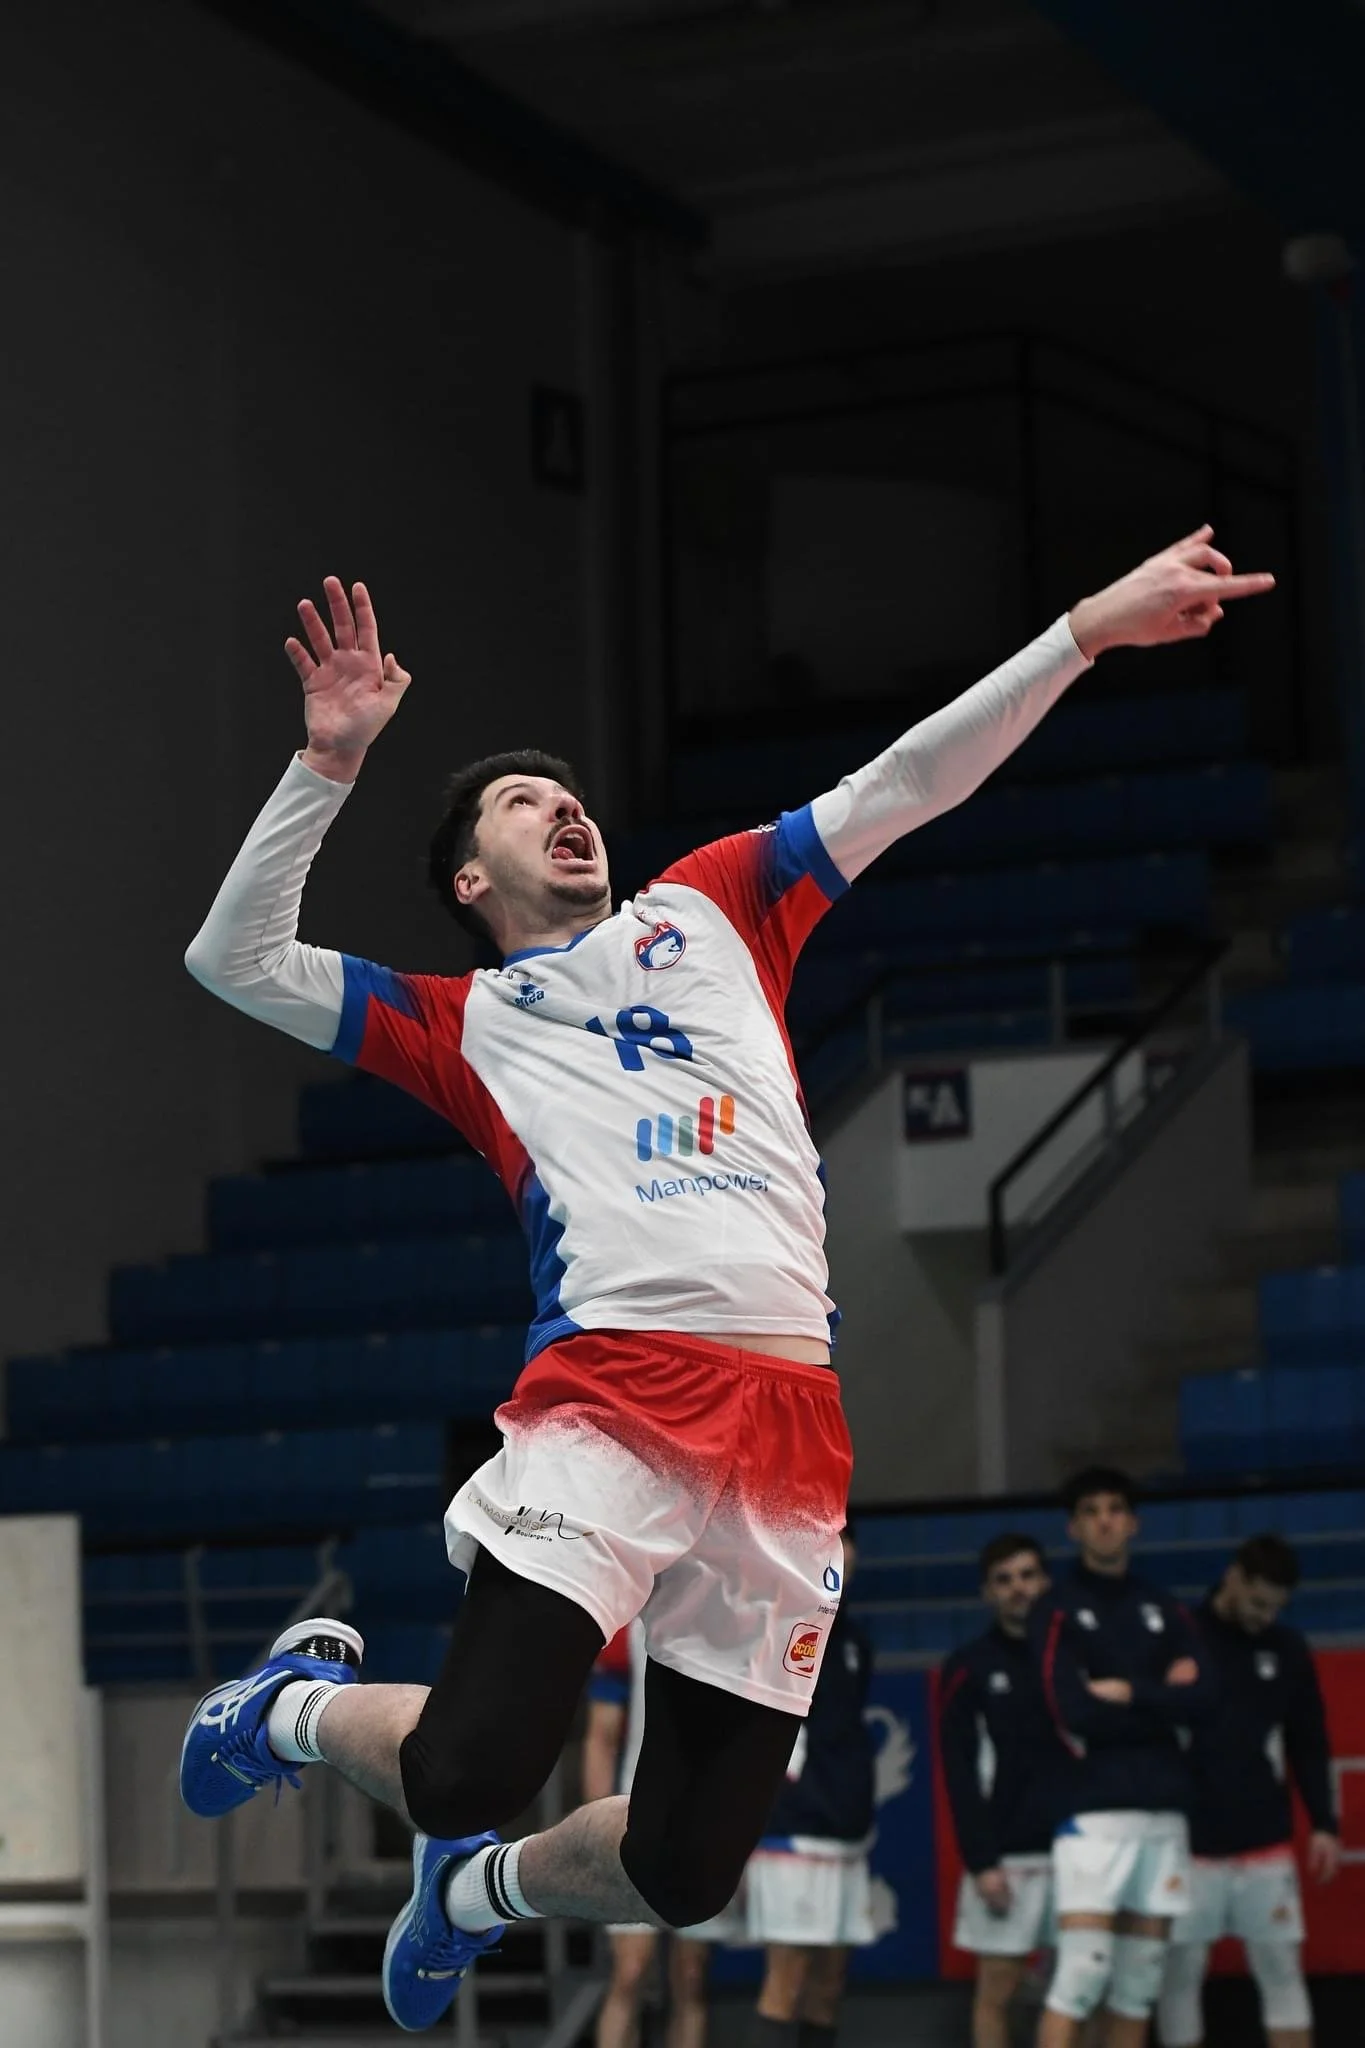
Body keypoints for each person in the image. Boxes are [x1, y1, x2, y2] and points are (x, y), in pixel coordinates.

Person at [174, 531, 1272, 2037]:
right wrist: (330, 761)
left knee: (687, 1870)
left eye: (571, 793)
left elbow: (905, 780)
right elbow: (233, 957)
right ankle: (286, 1710)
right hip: (614, 1399)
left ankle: (476, 1898)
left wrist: (1080, 631)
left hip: (790, 1428)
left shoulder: (712, 909)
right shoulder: (462, 1023)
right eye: (519, 800)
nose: (563, 806)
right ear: (466, 875)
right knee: (469, 1771)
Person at [1030, 1468, 1217, 2048]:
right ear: (1074, 1527)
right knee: (1081, 1977)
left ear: (1133, 1522)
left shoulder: (1164, 1607)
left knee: (1138, 1986)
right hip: (1094, 1818)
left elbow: (1205, 1700)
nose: (1105, 1519)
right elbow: (1072, 1710)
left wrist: (1131, 1691)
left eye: (1115, 1509)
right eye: (1092, 1511)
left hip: (1163, 1814)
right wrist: (1164, 1696)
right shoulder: (1057, 1609)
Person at [1157, 1534, 1341, 2048]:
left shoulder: (1287, 1648)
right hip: (1189, 1846)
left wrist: (1324, 1823)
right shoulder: (1180, 1637)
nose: (1266, 1616)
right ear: (1233, 1578)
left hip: (1264, 1840)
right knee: (1179, 1980)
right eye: (1259, 1603)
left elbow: (1309, 1741)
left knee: (1282, 1972)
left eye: (1277, 1607)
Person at [745, 1525, 876, 2048]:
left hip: (846, 1832)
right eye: (827, 1540)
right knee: (787, 1980)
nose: (838, 1553)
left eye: (846, 1541)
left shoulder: (857, 1641)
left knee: (829, 1985)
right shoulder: (776, 1627)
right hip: (792, 1834)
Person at [940, 1533, 1058, 2048]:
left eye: (1028, 1576)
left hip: (1079, 1852)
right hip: (1005, 1860)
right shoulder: (969, 1667)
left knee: (1082, 1992)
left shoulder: (1076, 1659)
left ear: (1046, 1583)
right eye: (1005, 1580)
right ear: (988, 1593)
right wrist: (982, 1860)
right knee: (997, 1996)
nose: (1019, 1589)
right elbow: (960, 1775)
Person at [584, 1622, 714, 2048]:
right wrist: (593, 1831)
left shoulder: (726, 1623)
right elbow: (602, 1739)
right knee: (630, 1972)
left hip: (703, 1828)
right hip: (633, 1822)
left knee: (691, 1977)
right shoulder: (627, 1633)